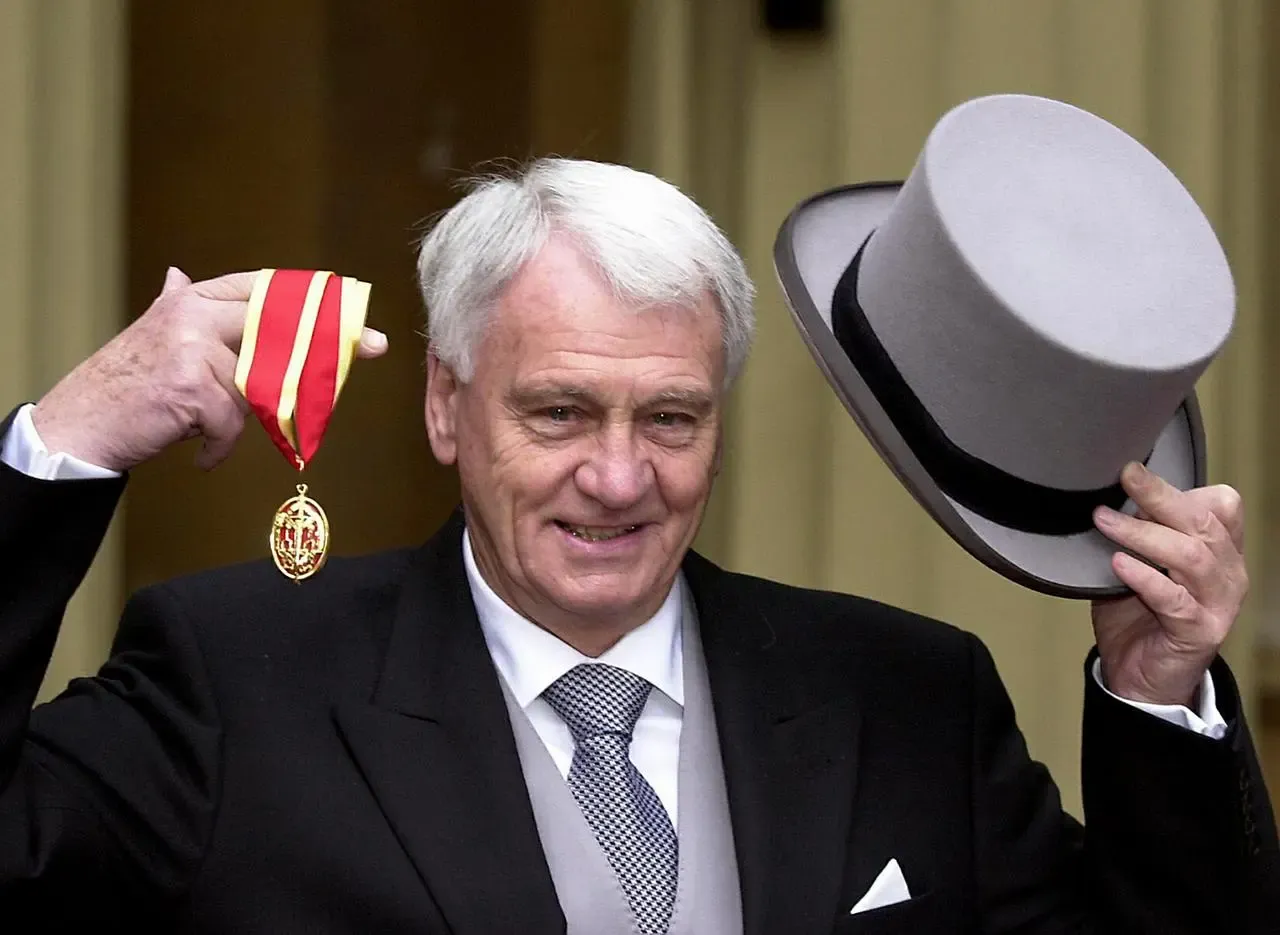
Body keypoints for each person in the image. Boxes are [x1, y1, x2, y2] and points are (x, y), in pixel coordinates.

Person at [0, 157, 1274, 934]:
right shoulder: (234, 680)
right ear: (447, 404)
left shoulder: (906, 699)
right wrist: (58, 447)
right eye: (557, 410)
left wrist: (1156, 694)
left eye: (670, 416)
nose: (618, 476)